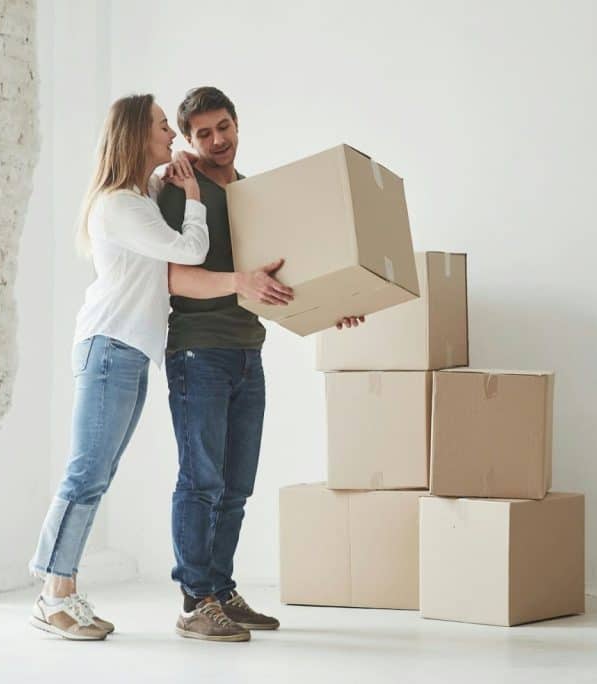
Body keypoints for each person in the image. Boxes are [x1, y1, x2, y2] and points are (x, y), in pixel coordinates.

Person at [157, 86, 363, 643]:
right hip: (197, 350)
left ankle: (221, 591)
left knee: (235, 484)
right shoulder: (181, 188)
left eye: (224, 126)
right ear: (187, 138)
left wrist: (329, 303)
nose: (217, 140)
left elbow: (268, 281)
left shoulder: (253, 193)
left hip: (248, 350)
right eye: (203, 133)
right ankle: (194, 601)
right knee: (200, 479)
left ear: (237, 124)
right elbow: (169, 276)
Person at [28, 94, 209, 641]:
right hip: (110, 350)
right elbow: (191, 250)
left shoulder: (134, 198)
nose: (172, 136)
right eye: (162, 128)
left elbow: (150, 196)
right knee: (85, 475)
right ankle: (52, 596)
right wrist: (194, 195)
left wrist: (169, 176)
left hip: (125, 352)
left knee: (97, 476)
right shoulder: (119, 205)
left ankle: (62, 590)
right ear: (136, 135)